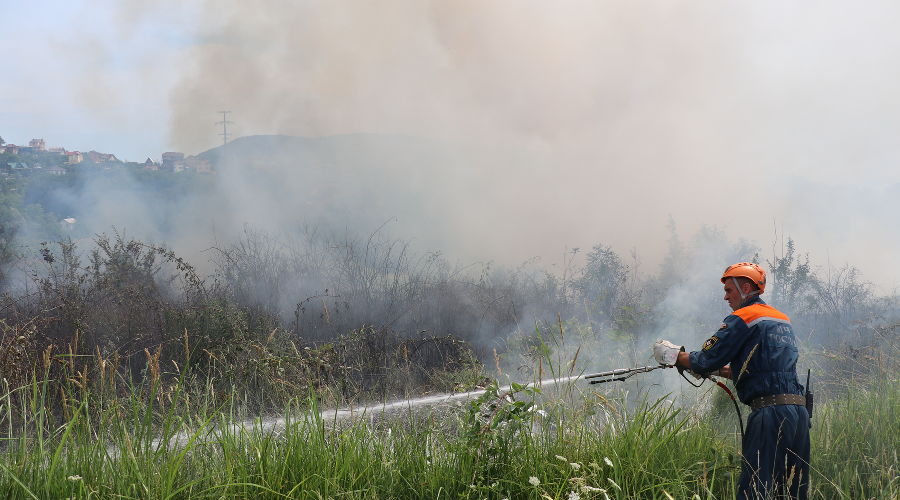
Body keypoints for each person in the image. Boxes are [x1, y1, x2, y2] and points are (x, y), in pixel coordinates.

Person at [653, 262, 810, 500]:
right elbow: (761, 368)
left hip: (769, 414)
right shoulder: (781, 320)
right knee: (790, 491)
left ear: (746, 287)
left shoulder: (744, 317)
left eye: (729, 290)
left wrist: (673, 356)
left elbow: (706, 358)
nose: (726, 297)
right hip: (798, 415)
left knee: (755, 490)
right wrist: (719, 371)